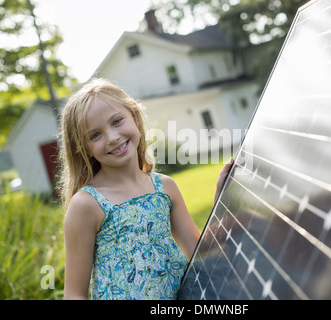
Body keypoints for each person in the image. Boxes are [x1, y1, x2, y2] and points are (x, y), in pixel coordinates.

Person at [58, 78, 233, 300]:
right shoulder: (86, 204)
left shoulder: (165, 187)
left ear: (135, 116)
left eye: (117, 121)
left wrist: (222, 200)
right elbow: (74, 294)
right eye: (95, 135)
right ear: (83, 147)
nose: (112, 138)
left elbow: (199, 252)